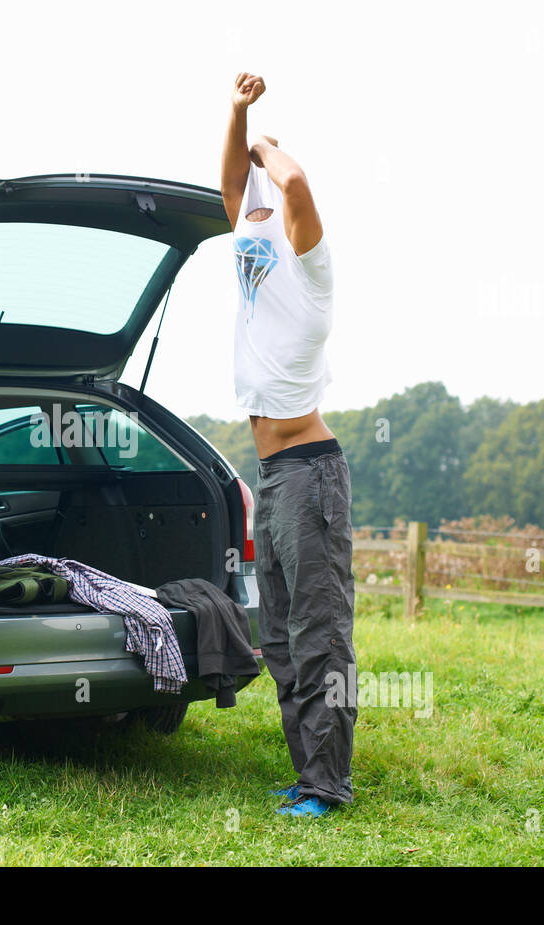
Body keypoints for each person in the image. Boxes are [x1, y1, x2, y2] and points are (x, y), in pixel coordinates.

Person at [221, 72, 357, 818]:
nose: (259, 199)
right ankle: (306, 770)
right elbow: (230, 180)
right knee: (279, 633)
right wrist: (236, 115)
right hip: (272, 476)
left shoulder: (311, 264)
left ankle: (327, 784)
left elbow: (293, 178)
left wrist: (264, 139)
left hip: (311, 473)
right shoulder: (249, 248)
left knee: (320, 633)